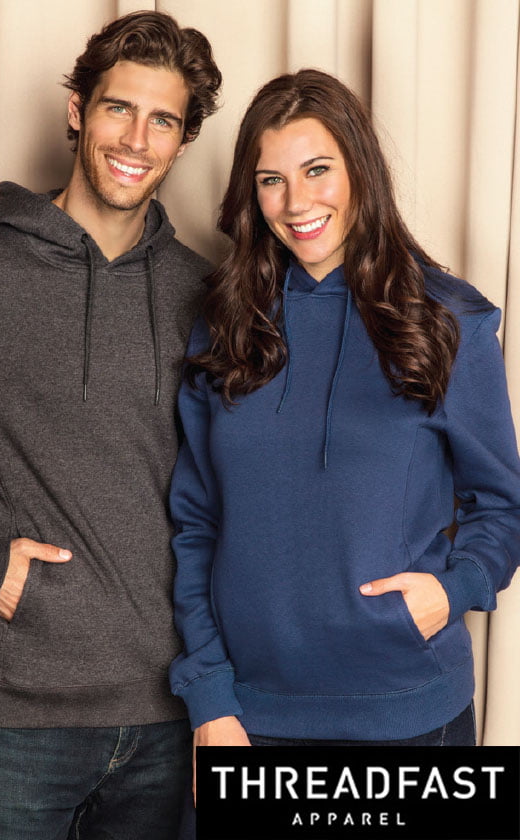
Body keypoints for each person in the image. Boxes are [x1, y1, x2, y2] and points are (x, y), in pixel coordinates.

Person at [0, 11, 221, 839]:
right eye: (118, 108)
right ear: (78, 110)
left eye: (163, 120)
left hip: (172, 717)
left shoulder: (204, 294)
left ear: (183, 142)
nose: (135, 138)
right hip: (17, 722)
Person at [169, 68, 520, 766]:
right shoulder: (225, 325)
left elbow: (502, 505)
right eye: (271, 180)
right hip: (250, 714)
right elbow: (195, 523)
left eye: (317, 170)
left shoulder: (447, 320)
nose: (296, 202)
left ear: (359, 169)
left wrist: (453, 591)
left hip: (409, 710)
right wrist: (209, 696)